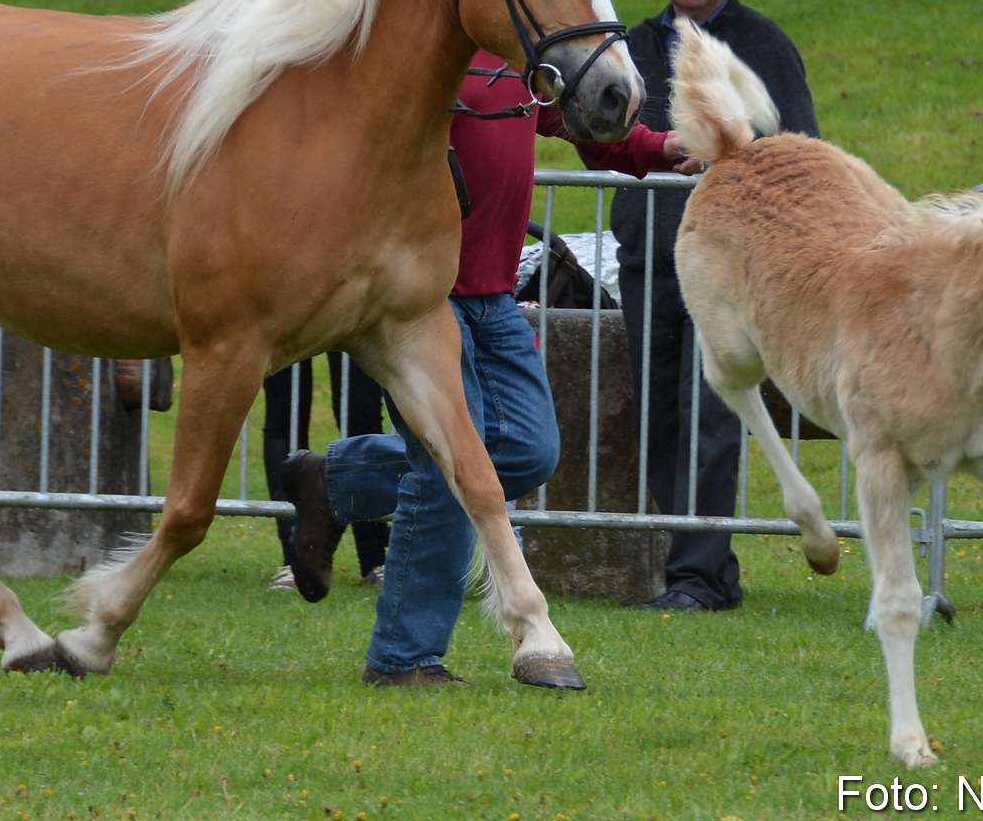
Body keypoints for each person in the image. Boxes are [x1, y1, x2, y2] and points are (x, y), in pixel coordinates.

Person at [283, 50, 686, 686]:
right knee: (446, 470)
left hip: (495, 297)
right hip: (419, 301)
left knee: (530, 450)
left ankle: (337, 481)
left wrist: (663, 148)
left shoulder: (523, 63)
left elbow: (588, 127)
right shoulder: (426, 55)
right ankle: (404, 658)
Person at [613, 0, 821, 613]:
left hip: (729, 268)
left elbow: (800, 148)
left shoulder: (764, 47)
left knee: (710, 409)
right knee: (658, 413)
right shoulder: (632, 46)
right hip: (647, 253)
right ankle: (696, 563)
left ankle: (697, 575)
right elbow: (602, 128)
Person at [261, 354, 389, 590]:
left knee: (361, 414)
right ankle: (293, 561)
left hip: (352, 318)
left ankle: (374, 559)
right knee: (285, 413)